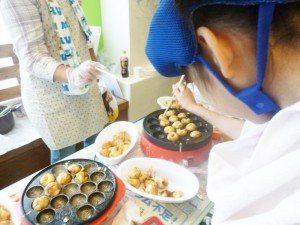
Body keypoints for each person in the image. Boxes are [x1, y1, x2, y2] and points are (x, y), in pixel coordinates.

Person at [146, 0, 300, 224]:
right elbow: (257, 134)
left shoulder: (272, 210)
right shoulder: (287, 114)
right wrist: (194, 108)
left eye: (192, 79)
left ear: (216, 51)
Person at [0, 0, 108, 164]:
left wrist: (98, 80)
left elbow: (82, 34)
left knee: (97, 145)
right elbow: (31, 55)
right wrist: (72, 75)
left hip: (84, 83)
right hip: (51, 93)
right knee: (66, 159)